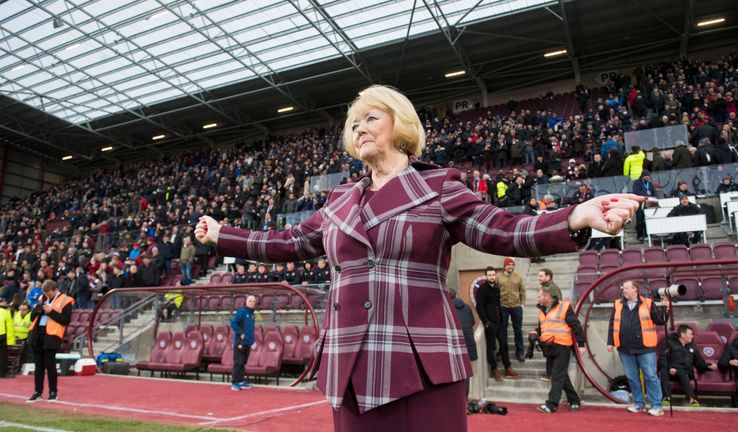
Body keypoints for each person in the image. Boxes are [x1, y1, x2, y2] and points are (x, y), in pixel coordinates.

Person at [195, 85, 644, 431]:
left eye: (371, 118)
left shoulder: (438, 187)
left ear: (401, 126)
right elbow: (287, 242)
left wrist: (575, 217)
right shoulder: (336, 202)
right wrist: (223, 235)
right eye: (354, 124)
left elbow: (503, 230)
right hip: (350, 364)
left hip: (421, 366)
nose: (360, 128)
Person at [607, 280, 669, 416]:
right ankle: (638, 404)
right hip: (625, 347)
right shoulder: (617, 304)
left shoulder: (648, 303)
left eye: (627, 288)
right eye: (623, 288)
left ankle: (657, 406)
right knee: (632, 378)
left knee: (650, 376)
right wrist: (610, 342)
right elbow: (612, 324)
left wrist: (665, 309)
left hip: (645, 347)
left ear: (635, 289)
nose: (624, 290)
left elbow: (660, 321)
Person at [533, 287, 585, 413]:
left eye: (539, 296)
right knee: (558, 375)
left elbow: (576, 325)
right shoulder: (541, 310)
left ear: (547, 297)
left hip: (563, 346)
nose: (537, 299)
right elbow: (542, 327)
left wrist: (581, 344)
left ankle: (552, 404)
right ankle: (574, 400)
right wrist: (535, 332)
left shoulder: (564, 307)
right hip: (549, 347)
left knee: (557, 375)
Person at [27, 280, 74, 402]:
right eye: (45, 293)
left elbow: (66, 320)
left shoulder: (65, 300)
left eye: (48, 293)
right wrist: (38, 310)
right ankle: (37, 391)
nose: (46, 296)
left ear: (54, 290)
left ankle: (53, 392)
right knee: (38, 365)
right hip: (37, 334)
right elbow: (32, 317)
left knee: (50, 365)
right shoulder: (42, 298)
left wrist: (50, 312)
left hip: (52, 336)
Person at [658, 324, 717, 407]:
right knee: (663, 370)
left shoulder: (693, 346)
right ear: (682, 334)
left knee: (682, 372)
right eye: (690, 334)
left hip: (686, 372)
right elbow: (662, 358)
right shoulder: (668, 343)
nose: (692, 336)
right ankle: (666, 397)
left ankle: (691, 399)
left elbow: (699, 363)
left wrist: (708, 366)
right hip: (671, 371)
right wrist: (669, 368)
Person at [476, 266, 516, 381]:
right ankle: (494, 369)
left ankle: (508, 368)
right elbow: (479, 307)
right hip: (490, 323)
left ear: (495, 275)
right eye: (489, 275)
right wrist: (485, 321)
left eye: (493, 275)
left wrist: (503, 319)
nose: (492, 277)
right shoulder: (482, 289)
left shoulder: (497, 288)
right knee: (490, 347)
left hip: (500, 321)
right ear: (486, 276)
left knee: (504, 344)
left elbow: (498, 304)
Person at [497, 257, 526, 363]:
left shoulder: (518, 277)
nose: (511, 266)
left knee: (518, 330)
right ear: (504, 266)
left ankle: (520, 352)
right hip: (503, 307)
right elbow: (495, 291)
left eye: (512, 265)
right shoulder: (498, 277)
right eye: (509, 265)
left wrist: (522, 304)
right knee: (502, 331)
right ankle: (502, 352)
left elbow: (522, 291)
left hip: (516, 307)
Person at [450, 288, 476, 400]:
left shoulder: (448, 308)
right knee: (466, 373)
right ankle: (465, 398)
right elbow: (473, 322)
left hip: (456, 345)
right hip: (469, 343)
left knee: (455, 374)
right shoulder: (467, 307)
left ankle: (457, 400)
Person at [230, 294, 257, 392]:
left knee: (243, 363)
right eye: (250, 301)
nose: (252, 303)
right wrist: (240, 333)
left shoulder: (252, 315)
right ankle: (234, 383)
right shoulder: (242, 311)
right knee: (238, 362)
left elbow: (251, 329)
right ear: (246, 302)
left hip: (247, 343)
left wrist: (252, 341)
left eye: (253, 301)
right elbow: (233, 323)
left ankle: (241, 381)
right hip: (240, 342)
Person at [631, 171, 656, 241]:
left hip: (649, 203)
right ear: (642, 176)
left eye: (648, 176)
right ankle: (640, 235)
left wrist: (654, 198)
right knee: (640, 219)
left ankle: (649, 233)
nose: (647, 177)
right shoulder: (637, 183)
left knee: (649, 219)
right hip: (640, 204)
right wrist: (644, 197)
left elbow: (654, 192)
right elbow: (636, 192)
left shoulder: (650, 184)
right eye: (646, 176)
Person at [0, 301, 15, 377]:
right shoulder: (6, 312)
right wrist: (10, 341)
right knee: (3, 355)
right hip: (2, 335)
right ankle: (2, 372)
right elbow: (10, 327)